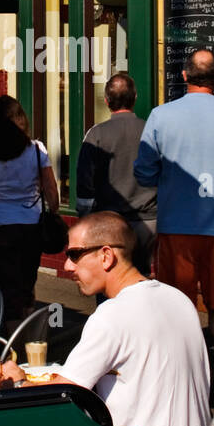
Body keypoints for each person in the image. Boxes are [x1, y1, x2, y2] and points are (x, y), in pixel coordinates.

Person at [0, 212, 211, 426]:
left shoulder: (112, 316)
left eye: (75, 254)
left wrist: (14, 381)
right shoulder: (178, 299)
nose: (67, 266)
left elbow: (60, 401)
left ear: (106, 256)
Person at [134, 48, 214, 387]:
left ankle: (182, 363)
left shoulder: (160, 116)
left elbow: (143, 172)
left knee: (178, 302)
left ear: (185, 77)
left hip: (176, 226)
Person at [0, 96, 59, 325]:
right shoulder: (37, 150)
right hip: (30, 225)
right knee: (27, 283)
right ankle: (29, 336)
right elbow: (51, 190)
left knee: (6, 285)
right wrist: (53, 211)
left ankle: (10, 336)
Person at [76, 72, 157, 276]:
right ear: (135, 98)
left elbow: (85, 185)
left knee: (109, 280)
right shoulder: (151, 131)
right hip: (148, 222)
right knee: (141, 279)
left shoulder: (96, 135)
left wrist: (86, 222)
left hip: (109, 224)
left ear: (106, 101)